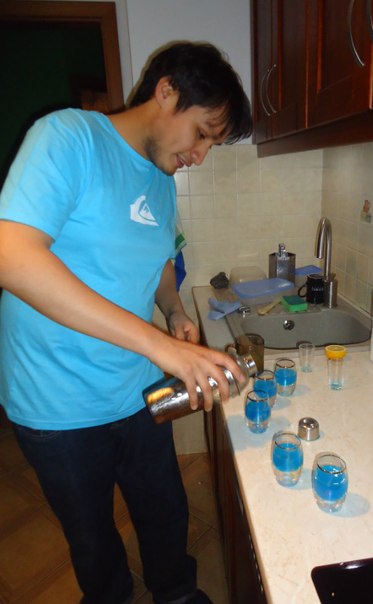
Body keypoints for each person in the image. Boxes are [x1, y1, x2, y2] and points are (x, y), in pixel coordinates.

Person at [0, 41, 252, 604]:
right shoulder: (68, 137)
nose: (201, 155)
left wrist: (175, 311)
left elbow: (158, 262)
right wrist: (162, 349)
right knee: (92, 539)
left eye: (211, 144)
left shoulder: (160, 180)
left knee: (165, 509)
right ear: (166, 91)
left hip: (134, 390)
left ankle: (176, 592)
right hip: (56, 401)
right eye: (202, 134)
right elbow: (11, 255)